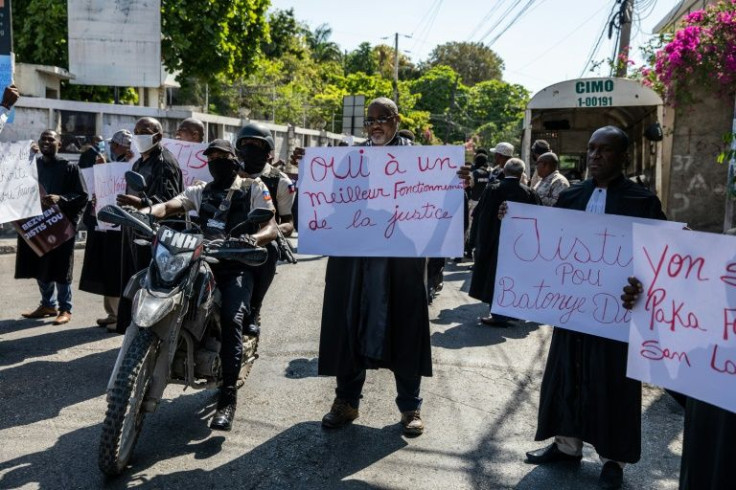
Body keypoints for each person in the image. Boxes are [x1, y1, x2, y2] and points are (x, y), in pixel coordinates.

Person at [524, 126, 666, 490]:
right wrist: (509, 217)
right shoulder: (572, 196)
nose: (595, 155)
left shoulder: (642, 201)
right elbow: (547, 240)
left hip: (617, 315)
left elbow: (663, 256)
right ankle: (566, 446)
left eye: (604, 150)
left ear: (624, 157)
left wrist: (643, 288)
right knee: (567, 373)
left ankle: (612, 459)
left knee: (612, 382)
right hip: (573, 310)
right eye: (591, 148)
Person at [135, 139, 277, 431]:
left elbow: (271, 226)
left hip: (235, 265)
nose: (215, 161)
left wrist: (255, 238)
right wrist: (146, 214)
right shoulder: (200, 190)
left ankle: (227, 398)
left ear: (234, 160)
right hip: (195, 263)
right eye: (210, 157)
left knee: (231, 320)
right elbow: (170, 206)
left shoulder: (253, 188)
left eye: (222, 156)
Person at [317, 97, 431, 436]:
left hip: (401, 256)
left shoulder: (417, 160)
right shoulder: (353, 159)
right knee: (349, 322)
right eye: (370, 120)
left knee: (405, 325)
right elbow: (333, 200)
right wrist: (312, 175)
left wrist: (456, 183)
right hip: (356, 255)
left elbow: (434, 201)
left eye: (383, 118)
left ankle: (410, 407)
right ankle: (346, 402)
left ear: (396, 120)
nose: (375, 125)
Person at [114, 117, 183, 334]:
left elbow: (170, 200)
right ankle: (132, 329)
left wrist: (142, 202)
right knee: (133, 279)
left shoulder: (165, 162)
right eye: (136, 131)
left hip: (154, 234)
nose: (138, 135)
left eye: (144, 131)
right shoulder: (139, 162)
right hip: (135, 227)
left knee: (148, 282)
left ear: (158, 136)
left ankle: (148, 331)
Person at [17, 130, 88, 325]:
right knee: (41, 264)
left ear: (60, 143)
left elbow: (82, 196)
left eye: (51, 139)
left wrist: (61, 199)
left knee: (61, 266)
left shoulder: (70, 168)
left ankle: (65, 308)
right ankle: (47, 304)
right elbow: (14, 179)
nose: (46, 142)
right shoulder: (33, 165)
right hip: (37, 224)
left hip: (60, 225)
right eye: (43, 139)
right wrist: (26, 154)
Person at [235, 122, 295, 334]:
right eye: (246, 143)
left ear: (267, 149)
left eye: (256, 144)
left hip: (260, 238)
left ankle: (254, 308)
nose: (250, 148)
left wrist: (273, 232)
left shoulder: (281, 182)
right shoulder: (228, 172)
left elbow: (289, 222)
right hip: (226, 234)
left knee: (269, 251)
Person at [469, 158, 541, 326]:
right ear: (521, 173)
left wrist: (479, 242)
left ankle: (499, 315)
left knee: (496, 277)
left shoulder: (493, 189)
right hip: (521, 245)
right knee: (514, 277)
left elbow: (482, 216)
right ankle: (510, 312)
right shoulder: (529, 192)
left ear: (505, 171)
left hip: (495, 243)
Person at [78, 130, 133, 329]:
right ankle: (112, 313)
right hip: (106, 224)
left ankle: (120, 316)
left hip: (120, 226)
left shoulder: (131, 164)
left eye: (114, 145)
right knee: (107, 269)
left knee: (116, 269)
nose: (111, 148)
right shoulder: (111, 164)